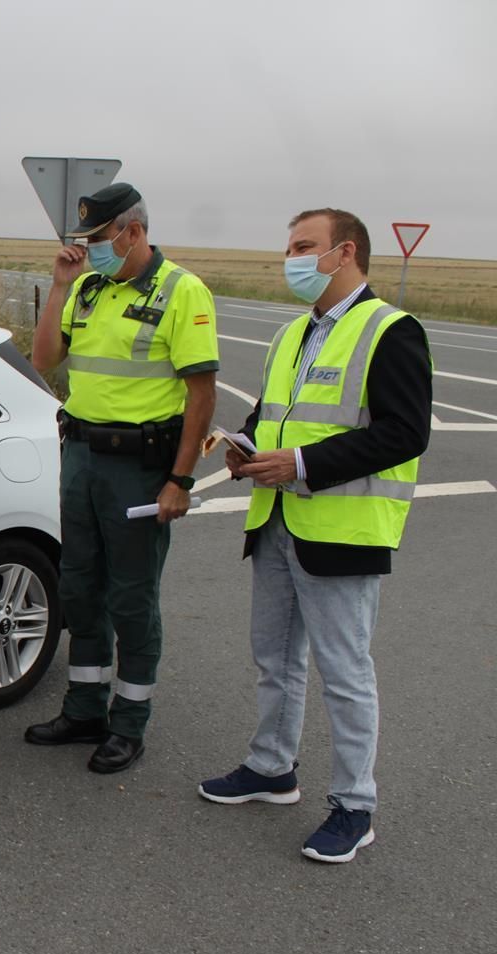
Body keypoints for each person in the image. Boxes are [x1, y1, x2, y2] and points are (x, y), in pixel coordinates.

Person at [199, 208, 432, 864]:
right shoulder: (292, 334)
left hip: (341, 529)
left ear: (345, 252)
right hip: (275, 520)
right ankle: (272, 767)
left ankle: (355, 806)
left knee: (345, 671)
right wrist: (245, 445)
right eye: (290, 245)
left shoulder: (390, 330)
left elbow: (405, 431)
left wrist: (302, 464)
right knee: (274, 657)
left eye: (304, 246)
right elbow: (276, 412)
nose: (291, 258)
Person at [24, 182, 219, 773]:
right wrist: (59, 286)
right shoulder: (85, 287)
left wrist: (179, 481)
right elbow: (43, 360)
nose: (93, 250)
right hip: (80, 456)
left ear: (133, 231)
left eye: (101, 239)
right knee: (79, 588)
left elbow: (201, 395)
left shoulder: (182, 291)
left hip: (139, 465)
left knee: (131, 598)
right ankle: (86, 708)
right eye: (86, 241)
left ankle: (129, 722)